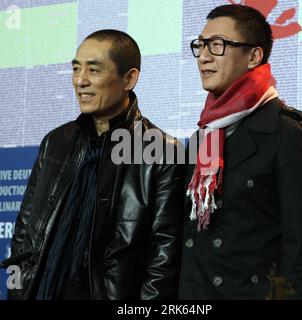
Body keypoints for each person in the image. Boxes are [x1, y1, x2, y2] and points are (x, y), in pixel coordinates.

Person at [5, 29, 184, 300]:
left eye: (94, 70)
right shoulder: (55, 141)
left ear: (129, 79)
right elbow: (24, 234)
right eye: (76, 69)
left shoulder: (161, 151)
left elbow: (163, 258)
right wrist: (16, 292)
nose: (80, 81)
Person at [179, 4, 302, 300]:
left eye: (217, 45)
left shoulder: (290, 134)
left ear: (254, 56)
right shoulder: (204, 135)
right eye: (201, 45)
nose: (204, 56)